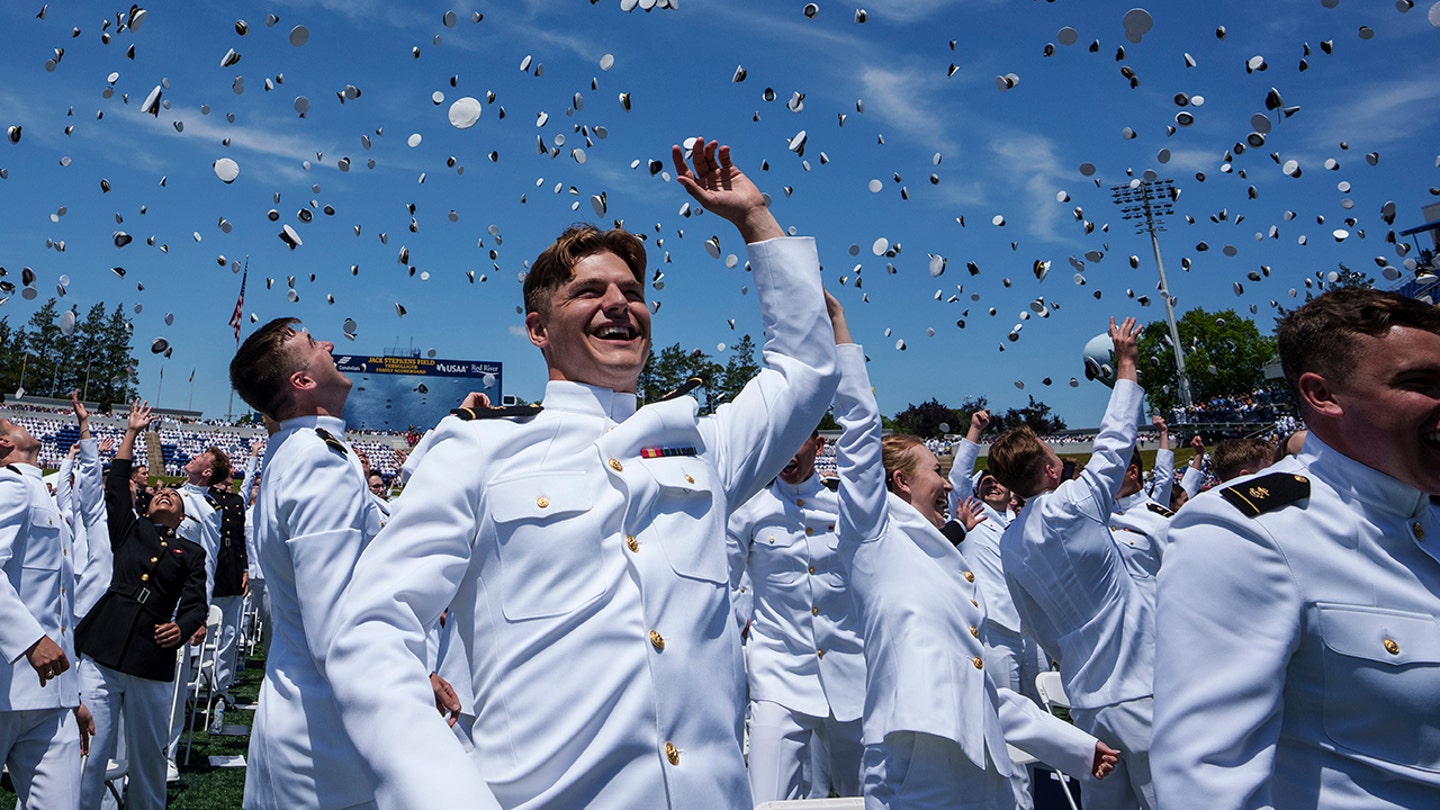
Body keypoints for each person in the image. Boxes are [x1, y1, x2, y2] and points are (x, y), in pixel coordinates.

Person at [324, 138, 840, 808]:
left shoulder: (704, 450)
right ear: (538, 329)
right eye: (589, 291)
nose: (619, 304)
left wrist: (755, 218)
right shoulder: (480, 451)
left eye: (632, 291)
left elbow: (806, 369)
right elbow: (372, 627)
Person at [1154, 288, 1440, 807]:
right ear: (1323, 395)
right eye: (1421, 384)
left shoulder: (1425, 511)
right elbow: (1207, 783)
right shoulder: (1249, 533)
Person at [829, 296, 1115, 810]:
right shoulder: (874, 539)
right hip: (913, 773)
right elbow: (857, 435)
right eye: (935, 471)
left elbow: (979, 687)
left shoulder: (942, 562)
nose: (947, 482)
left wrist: (1076, 746)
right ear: (897, 482)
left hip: (983, 774)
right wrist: (841, 333)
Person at [988, 317, 1157, 810]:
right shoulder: (1076, 503)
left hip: (1085, 699)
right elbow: (1116, 438)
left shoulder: (1009, 542)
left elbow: (1037, 626)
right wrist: (1127, 363)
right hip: (1143, 688)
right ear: (1047, 467)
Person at [228, 318, 387, 809]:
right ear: (302, 382)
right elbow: (334, 626)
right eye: (315, 345)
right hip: (327, 738)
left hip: (300, 716)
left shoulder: (297, 451)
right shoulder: (319, 459)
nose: (331, 344)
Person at [75, 399, 208, 810]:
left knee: (149, 755)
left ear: (182, 516)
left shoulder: (192, 552)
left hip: (152, 655)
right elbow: (115, 484)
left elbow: (195, 606)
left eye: (173, 495)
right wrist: (131, 432)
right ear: (146, 507)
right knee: (89, 750)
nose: (165, 495)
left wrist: (182, 629)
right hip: (104, 645)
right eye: (159, 493)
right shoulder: (130, 530)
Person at [726, 429, 865, 801]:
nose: (786, 455)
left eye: (796, 443)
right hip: (778, 672)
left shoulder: (844, 508)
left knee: (869, 796)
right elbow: (724, 585)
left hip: (849, 672)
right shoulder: (749, 511)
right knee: (766, 797)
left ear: (818, 446)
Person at [0, 410, 90, 809]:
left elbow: (58, 605)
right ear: (5, 443)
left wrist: (73, 696)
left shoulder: (39, 492)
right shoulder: (10, 487)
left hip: (51, 694)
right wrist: (30, 640)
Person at [206, 467, 249, 728]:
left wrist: (244, 567)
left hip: (232, 567)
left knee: (230, 633)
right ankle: (202, 681)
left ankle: (220, 685)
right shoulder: (206, 498)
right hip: (213, 567)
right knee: (209, 631)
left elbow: (240, 536)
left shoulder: (236, 501)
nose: (232, 475)